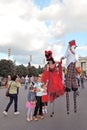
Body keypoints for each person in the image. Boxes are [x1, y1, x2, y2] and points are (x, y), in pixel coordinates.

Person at [61, 40, 79, 114]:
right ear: (72, 46)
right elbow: (66, 55)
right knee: (70, 79)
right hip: (71, 66)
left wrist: (63, 57)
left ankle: (72, 86)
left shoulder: (72, 51)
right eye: (74, 46)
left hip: (72, 66)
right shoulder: (70, 51)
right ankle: (72, 108)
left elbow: (70, 57)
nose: (75, 48)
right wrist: (62, 58)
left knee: (71, 79)